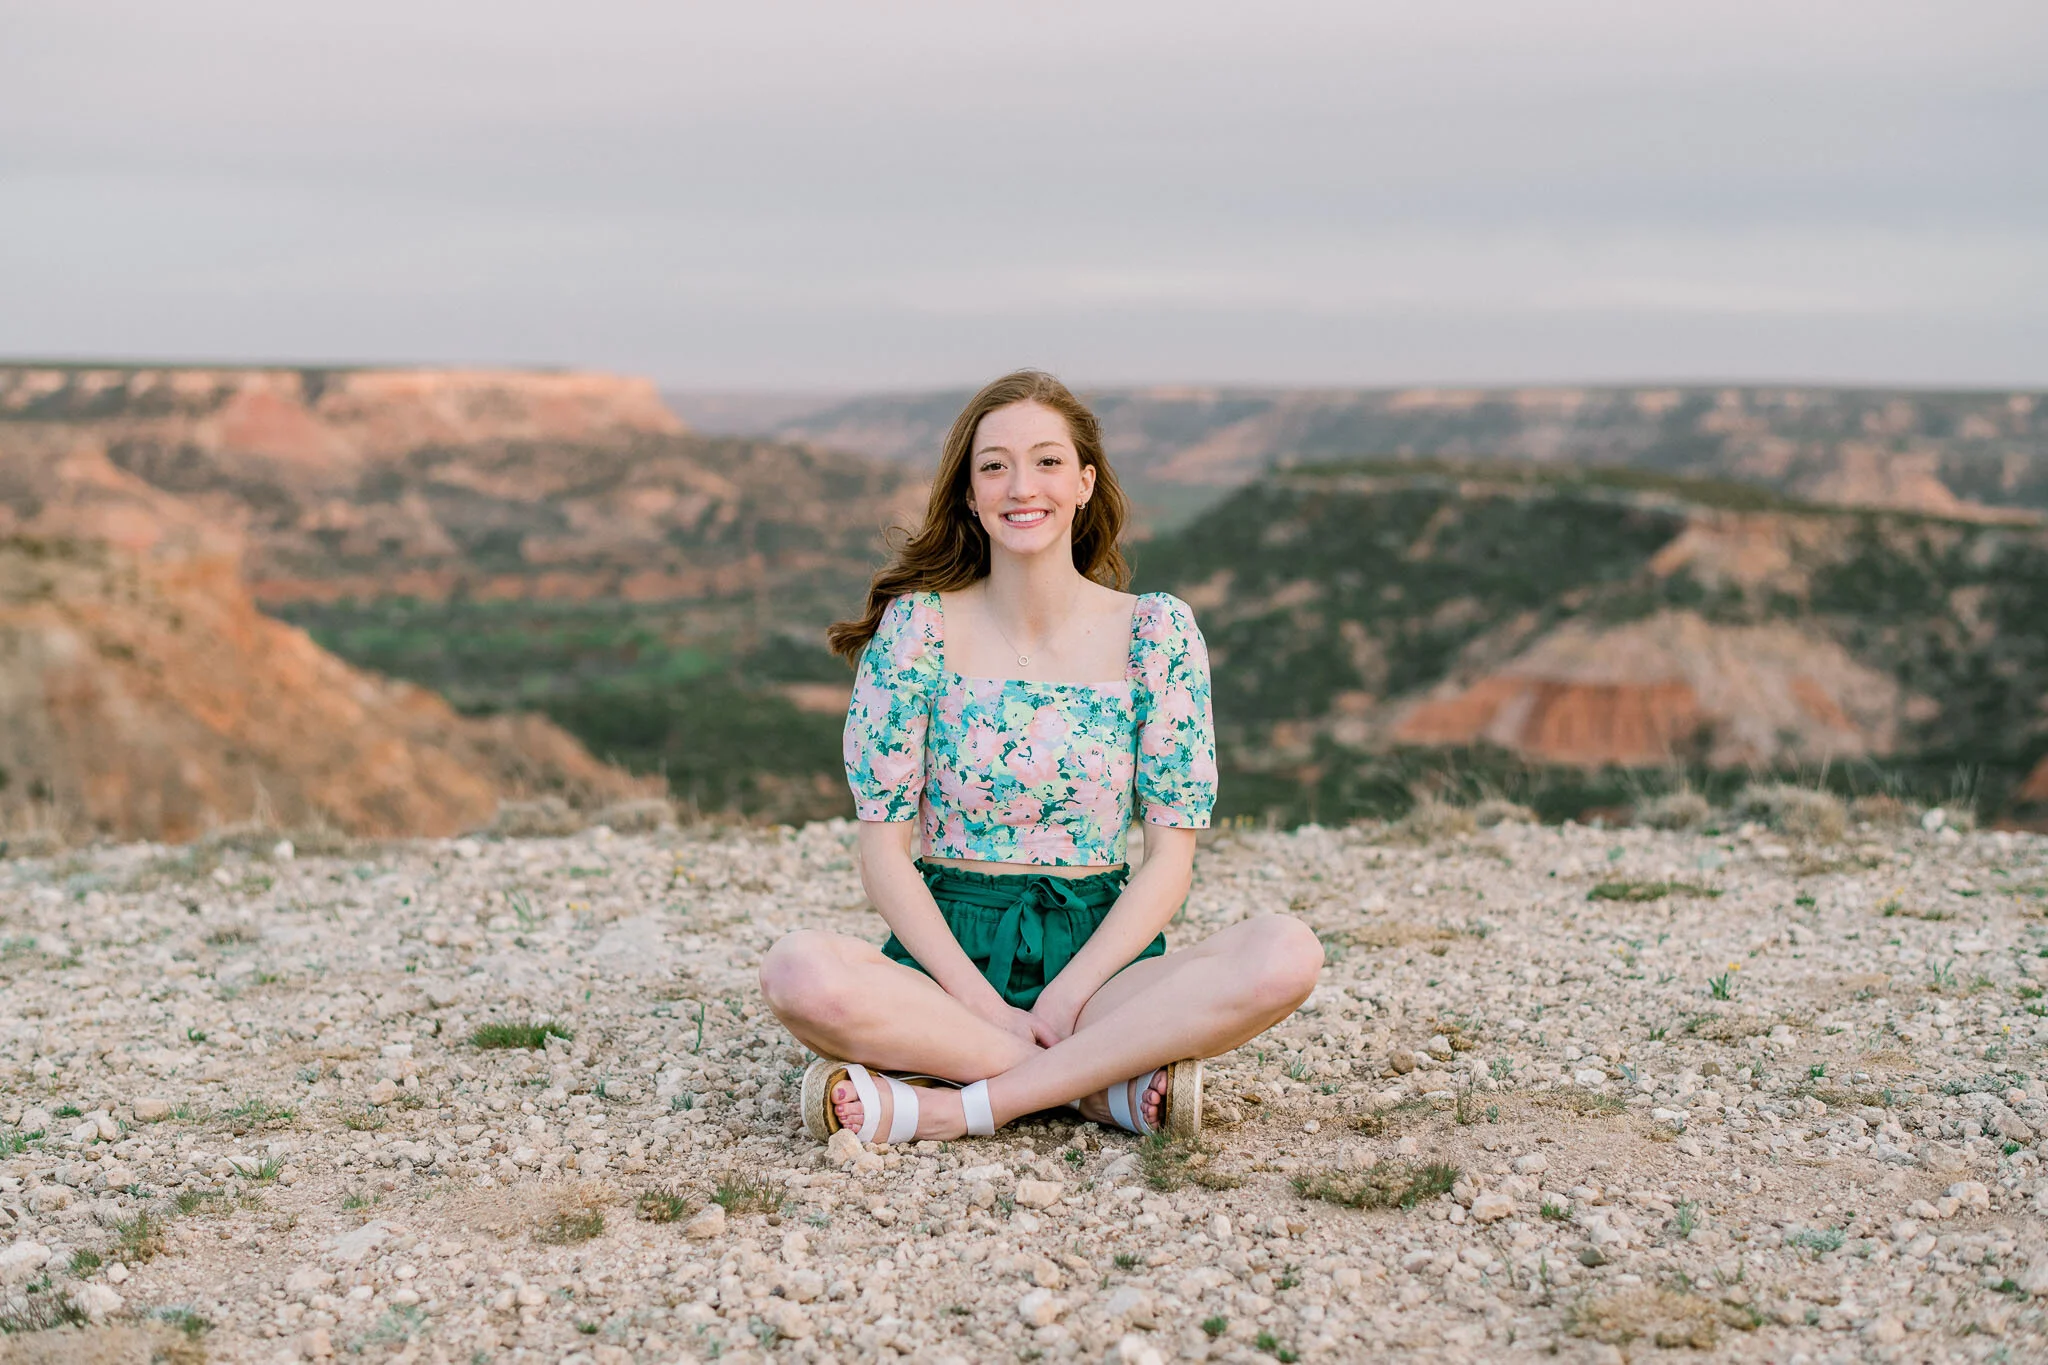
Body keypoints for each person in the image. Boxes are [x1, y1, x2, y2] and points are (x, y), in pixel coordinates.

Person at [759, 370, 1323, 1146]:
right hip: (947, 958)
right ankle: (1093, 1087)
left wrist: (1065, 1002)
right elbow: (883, 854)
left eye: (1048, 461)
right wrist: (988, 1008)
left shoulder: (1155, 632)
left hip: (1100, 968)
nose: (1022, 485)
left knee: (1287, 951)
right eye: (994, 465)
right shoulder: (917, 630)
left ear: (1086, 482)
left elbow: (1169, 861)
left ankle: (955, 1100)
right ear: (969, 494)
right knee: (797, 971)